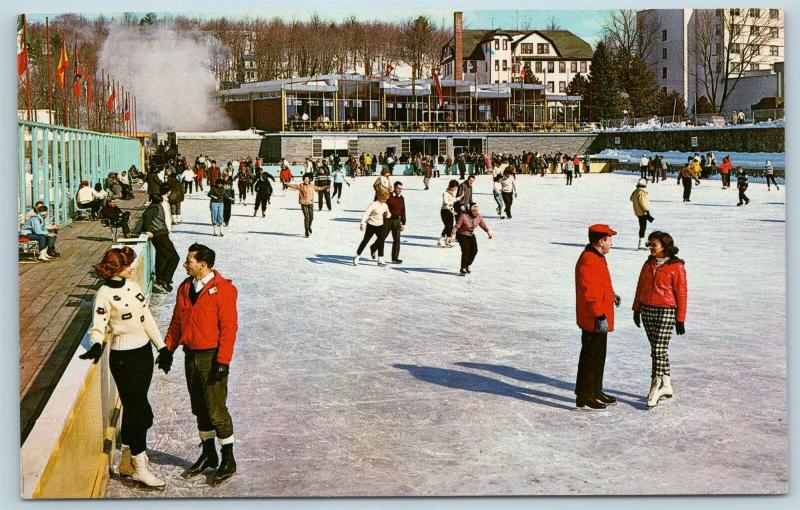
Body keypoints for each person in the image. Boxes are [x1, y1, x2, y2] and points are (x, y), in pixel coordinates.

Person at [79, 246, 169, 490]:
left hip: (143, 354)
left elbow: (145, 317)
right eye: (128, 264)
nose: (132, 267)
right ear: (116, 270)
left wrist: (161, 347)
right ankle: (139, 468)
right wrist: (97, 345)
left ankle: (129, 463)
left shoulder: (133, 286)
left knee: (135, 410)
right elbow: (97, 325)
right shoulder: (104, 294)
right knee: (140, 413)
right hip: (123, 359)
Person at [161, 243, 239, 486]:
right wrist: (167, 348)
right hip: (191, 355)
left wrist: (223, 361)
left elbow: (229, 328)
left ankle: (228, 459)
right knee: (199, 408)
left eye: (189, 261)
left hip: (212, 357)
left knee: (216, 410)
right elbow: (177, 320)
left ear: (203, 265)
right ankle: (209, 453)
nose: (185, 265)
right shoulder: (185, 287)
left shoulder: (224, 289)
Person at [632, 231, 687, 408]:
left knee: (658, 348)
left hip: (666, 310)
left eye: (653, 244)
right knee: (658, 349)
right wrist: (636, 308)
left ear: (665, 246)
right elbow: (640, 285)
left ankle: (655, 386)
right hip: (647, 309)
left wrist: (680, 319)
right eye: (649, 243)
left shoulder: (676, 266)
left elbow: (682, 293)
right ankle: (667, 384)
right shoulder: (648, 263)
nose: (650, 247)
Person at [574, 224, 621, 410]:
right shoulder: (589, 259)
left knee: (598, 356)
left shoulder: (597, 257)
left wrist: (611, 295)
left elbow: (600, 284)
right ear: (601, 241)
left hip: (598, 316)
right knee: (590, 357)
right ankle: (584, 395)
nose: (611, 243)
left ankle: (595, 390)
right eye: (610, 239)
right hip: (594, 318)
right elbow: (590, 292)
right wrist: (600, 315)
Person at [133, 188, 179, 293]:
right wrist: (148, 230)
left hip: (160, 233)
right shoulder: (155, 208)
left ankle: (160, 279)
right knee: (174, 258)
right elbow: (147, 218)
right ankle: (165, 279)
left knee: (162, 257)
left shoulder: (154, 206)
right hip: (159, 234)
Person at [452, 202, 492, 275]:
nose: (476, 213)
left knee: (474, 251)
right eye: (474, 211)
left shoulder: (478, 216)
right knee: (466, 251)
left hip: (470, 234)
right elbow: (457, 226)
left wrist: (488, 231)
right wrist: (453, 234)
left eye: (477, 211)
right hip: (461, 234)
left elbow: (482, 224)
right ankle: (463, 268)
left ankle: (467, 264)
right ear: (470, 210)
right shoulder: (463, 216)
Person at [353, 190, 391, 267]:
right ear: (380, 197)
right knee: (365, 240)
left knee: (381, 241)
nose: (385, 200)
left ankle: (380, 259)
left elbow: (388, 215)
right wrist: (362, 223)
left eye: (386, 199)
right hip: (371, 225)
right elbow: (366, 214)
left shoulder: (385, 205)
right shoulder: (373, 204)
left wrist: (388, 214)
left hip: (380, 225)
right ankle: (357, 257)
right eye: (384, 198)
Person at [382, 181, 406, 264]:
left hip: (397, 221)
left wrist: (403, 222)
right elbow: (383, 207)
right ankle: (373, 248)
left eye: (401, 189)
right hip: (388, 220)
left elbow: (403, 210)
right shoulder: (388, 196)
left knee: (397, 240)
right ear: (395, 188)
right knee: (382, 238)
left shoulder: (401, 198)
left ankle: (395, 258)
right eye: (398, 188)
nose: (400, 190)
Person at [630, 178, 654, 250]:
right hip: (642, 212)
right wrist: (646, 210)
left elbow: (631, 198)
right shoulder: (642, 193)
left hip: (637, 211)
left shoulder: (635, 192)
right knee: (643, 227)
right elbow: (642, 203)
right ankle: (641, 244)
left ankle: (641, 243)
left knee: (642, 227)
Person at [439, 179, 463, 247]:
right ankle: (441, 240)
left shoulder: (451, 194)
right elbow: (446, 203)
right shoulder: (445, 193)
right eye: (455, 187)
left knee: (450, 227)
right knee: (448, 226)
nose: (455, 189)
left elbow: (454, 200)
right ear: (451, 186)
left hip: (450, 211)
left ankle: (448, 241)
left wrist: (460, 197)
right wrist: (452, 210)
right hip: (445, 211)